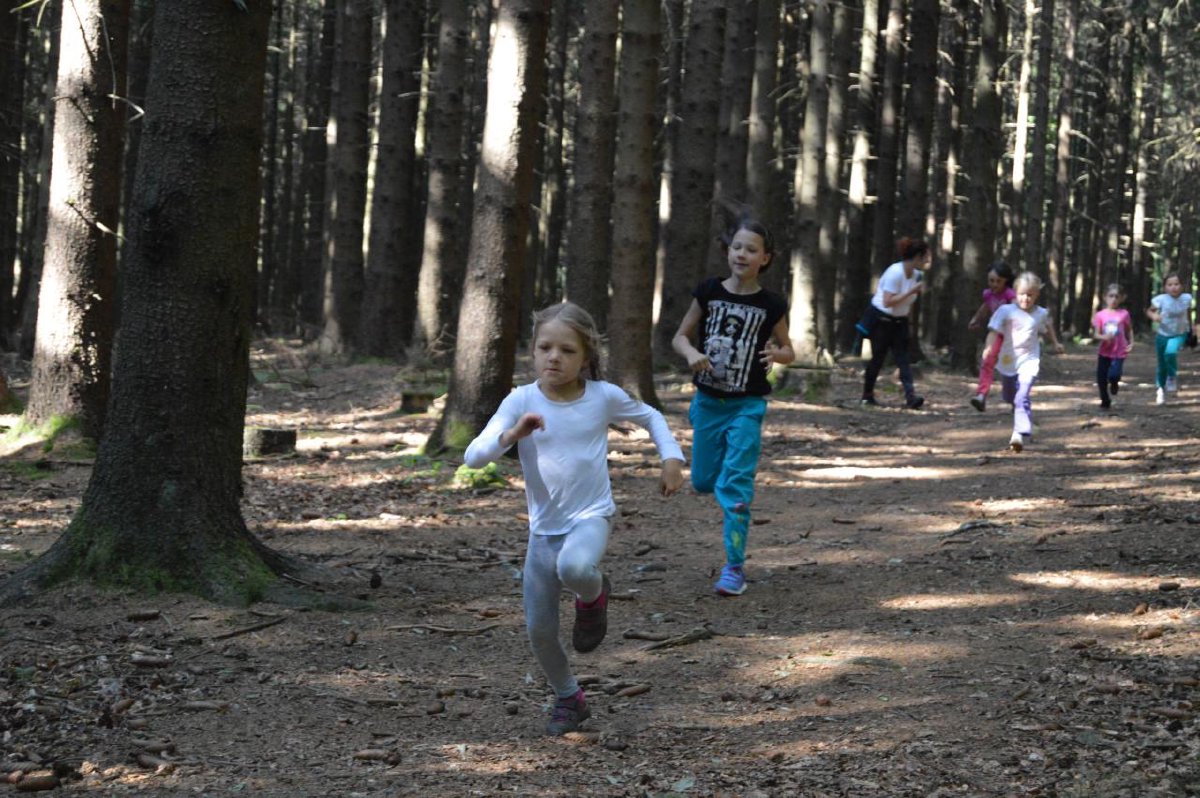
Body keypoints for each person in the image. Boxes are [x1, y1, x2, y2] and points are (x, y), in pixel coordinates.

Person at [463, 302, 685, 736]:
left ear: (585, 357)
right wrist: (513, 434)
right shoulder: (520, 400)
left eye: (567, 350)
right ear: (533, 350)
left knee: (576, 567)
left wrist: (671, 459)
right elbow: (473, 457)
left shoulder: (602, 396)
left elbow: (652, 417)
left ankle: (593, 595)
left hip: (590, 516)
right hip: (542, 533)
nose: (554, 357)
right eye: (545, 347)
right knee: (540, 630)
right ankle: (569, 697)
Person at [672, 216, 794, 597]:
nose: (742, 254)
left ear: (765, 258)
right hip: (708, 403)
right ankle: (722, 483)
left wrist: (777, 354)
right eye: (737, 247)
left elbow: (789, 350)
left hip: (747, 406)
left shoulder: (772, 304)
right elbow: (680, 337)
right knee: (703, 481)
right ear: (728, 252)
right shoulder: (709, 291)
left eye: (751, 250)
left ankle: (734, 567)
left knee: (734, 485)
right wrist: (691, 354)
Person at [982, 272, 1064, 452]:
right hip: (1008, 360)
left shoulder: (1040, 313)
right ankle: (1022, 420)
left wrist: (1056, 343)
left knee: (1022, 396)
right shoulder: (1005, 311)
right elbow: (993, 331)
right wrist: (988, 348)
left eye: (1030, 295)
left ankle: (1018, 433)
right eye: (1021, 294)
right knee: (1010, 396)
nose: (1025, 298)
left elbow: (1048, 326)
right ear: (1015, 292)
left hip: (1029, 360)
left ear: (1036, 294)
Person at [860, 237, 931, 410]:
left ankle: (911, 397)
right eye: (925, 257)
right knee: (878, 358)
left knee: (903, 359)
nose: (928, 261)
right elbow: (887, 302)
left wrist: (908, 321)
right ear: (917, 257)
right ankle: (867, 395)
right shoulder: (895, 272)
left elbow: (908, 303)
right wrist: (911, 291)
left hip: (900, 321)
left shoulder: (917, 276)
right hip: (881, 320)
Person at [968, 261, 1016, 411]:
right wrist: (976, 319)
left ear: (1006, 280)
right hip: (996, 334)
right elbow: (985, 307)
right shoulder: (988, 294)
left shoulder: (1009, 294)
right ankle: (981, 395)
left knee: (1010, 369)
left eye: (998, 281)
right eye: (991, 280)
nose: (994, 284)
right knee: (987, 360)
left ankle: (1017, 400)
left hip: (1011, 337)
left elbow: (1018, 311)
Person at [1146, 273, 1194, 405]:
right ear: (1165, 287)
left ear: (1182, 286)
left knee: (1170, 353)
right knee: (1162, 365)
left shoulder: (1187, 298)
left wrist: (1192, 329)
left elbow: (1188, 314)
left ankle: (1172, 376)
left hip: (1179, 333)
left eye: (1176, 284)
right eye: (1170, 284)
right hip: (1162, 334)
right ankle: (1160, 389)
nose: (1173, 287)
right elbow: (1149, 311)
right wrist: (1154, 316)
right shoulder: (1161, 299)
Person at [1092, 283, 1133, 410]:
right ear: (1105, 297)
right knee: (1101, 378)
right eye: (1111, 296)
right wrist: (1104, 337)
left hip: (1119, 351)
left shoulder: (1124, 314)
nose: (1114, 299)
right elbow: (1096, 334)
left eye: (1117, 296)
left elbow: (1129, 329)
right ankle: (1105, 400)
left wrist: (1131, 342)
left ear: (1121, 298)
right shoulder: (1100, 315)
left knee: (1114, 375)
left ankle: (1114, 382)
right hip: (1104, 351)